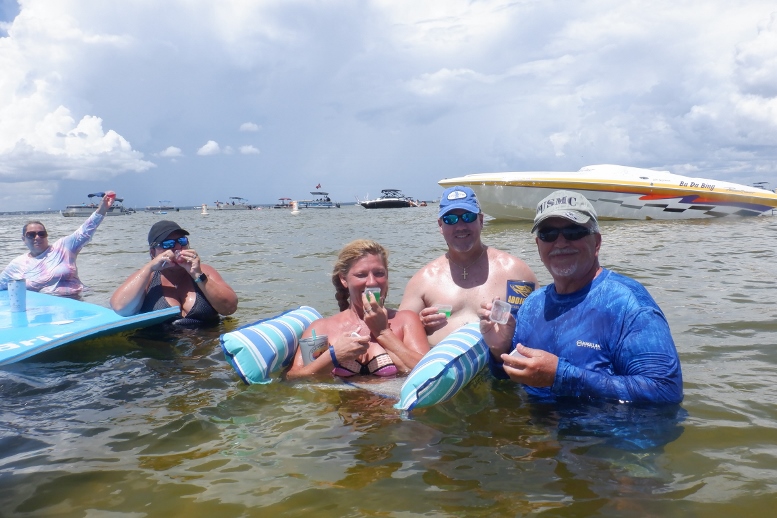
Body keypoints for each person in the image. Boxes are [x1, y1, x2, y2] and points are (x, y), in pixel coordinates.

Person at [479, 190, 683, 404]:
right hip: (535, 422)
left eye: (573, 232)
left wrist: (562, 377)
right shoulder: (532, 304)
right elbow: (512, 379)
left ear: (597, 242)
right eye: (548, 234)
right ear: (538, 246)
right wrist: (500, 351)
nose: (560, 243)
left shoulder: (628, 304)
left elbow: (666, 392)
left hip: (603, 425)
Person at [399, 186, 538, 346]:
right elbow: (399, 333)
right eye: (450, 219)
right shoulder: (422, 281)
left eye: (468, 217)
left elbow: (540, 328)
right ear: (440, 225)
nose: (460, 226)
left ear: (481, 221)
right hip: (440, 360)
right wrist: (417, 325)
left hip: (500, 360)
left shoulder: (515, 271)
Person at [286, 239, 429, 378]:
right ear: (344, 279)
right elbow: (294, 378)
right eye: (361, 275)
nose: (372, 282)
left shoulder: (406, 320)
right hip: (340, 395)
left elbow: (430, 372)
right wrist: (334, 356)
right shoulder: (322, 328)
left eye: (379, 273)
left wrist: (384, 333)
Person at [110, 220, 238, 325]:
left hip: (206, 343)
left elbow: (230, 308)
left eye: (182, 241)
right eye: (168, 244)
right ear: (153, 253)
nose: (177, 248)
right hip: (161, 345)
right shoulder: (146, 277)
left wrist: (198, 275)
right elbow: (120, 308)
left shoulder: (204, 271)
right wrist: (149, 267)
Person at [0, 192, 116, 296]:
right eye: (31, 235)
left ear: (46, 235)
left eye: (41, 234)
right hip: (41, 308)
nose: (37, 237)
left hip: (77, 301)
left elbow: (85, 230)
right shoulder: (17, 264)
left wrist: (102, 209)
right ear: (24, 239)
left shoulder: (63, 247)